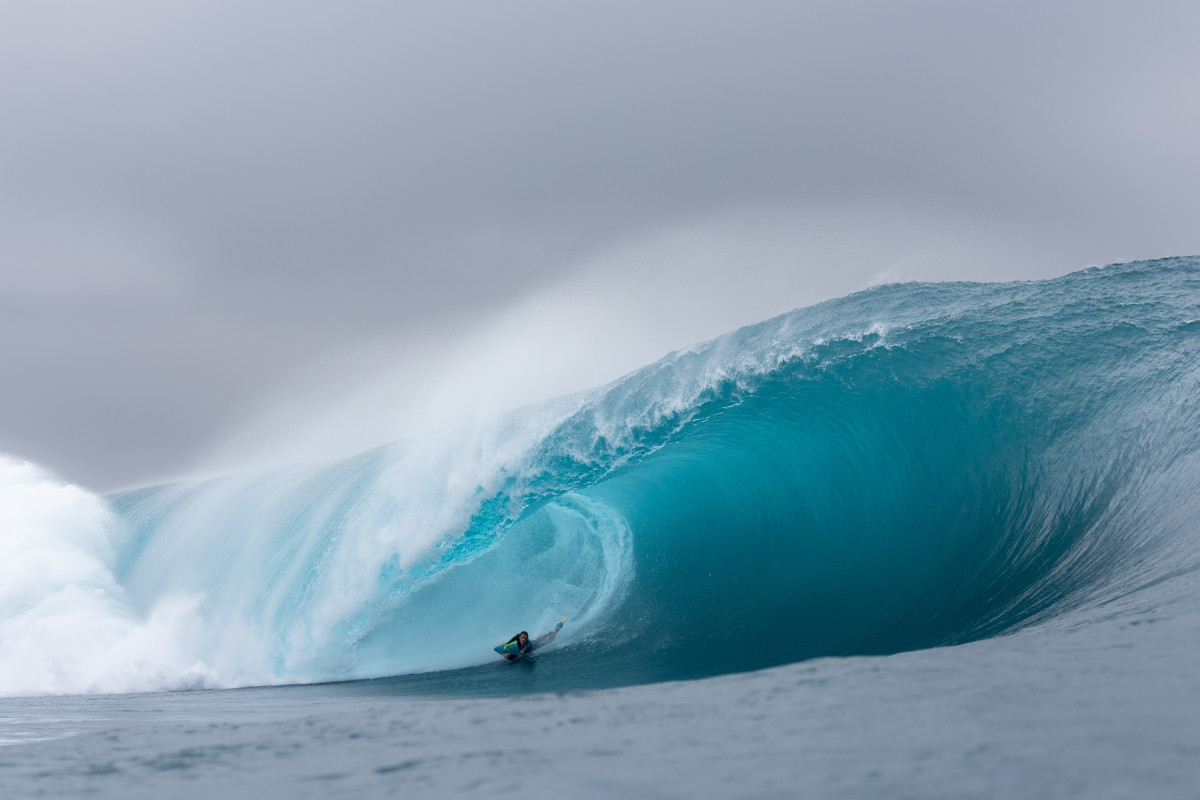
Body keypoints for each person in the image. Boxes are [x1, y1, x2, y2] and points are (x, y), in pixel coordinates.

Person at [500, 619, 564, 661]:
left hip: (535, 646)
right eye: (522, 637)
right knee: (537, 640)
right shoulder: (517, 636)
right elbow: (514, 638)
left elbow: (521, 653)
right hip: (534, 642)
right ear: (519, 637)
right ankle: (548, 634)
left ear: (527, 638)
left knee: (547, 642)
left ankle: (556, 631)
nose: (523, 639)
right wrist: (507, 643)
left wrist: (511, 657)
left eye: (525, 638)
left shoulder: (528, 645)